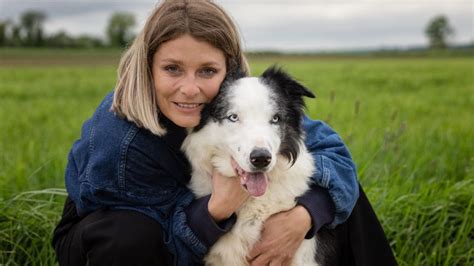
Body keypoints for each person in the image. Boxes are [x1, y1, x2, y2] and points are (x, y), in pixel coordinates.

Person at [52, 1, 396, 265]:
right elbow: (166, 247)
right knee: (130, 237)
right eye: (173, 69)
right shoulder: (120, 144)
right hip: (123, 236)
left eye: (207, 70)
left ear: (228, 70)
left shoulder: (234, 99)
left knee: (336, 190)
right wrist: (217, 209)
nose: (190, 89)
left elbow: (332, 155)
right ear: (148, 68)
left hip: (197, 220)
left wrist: (304, 216)